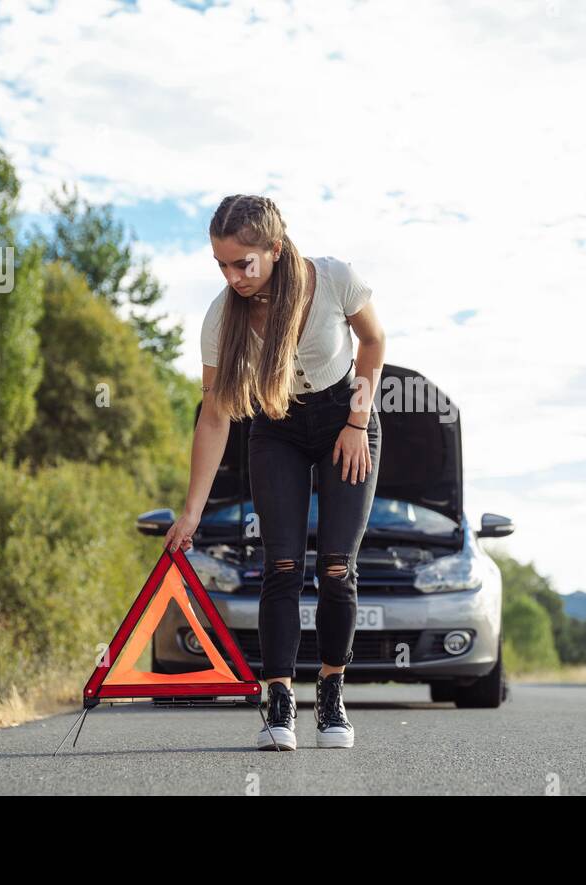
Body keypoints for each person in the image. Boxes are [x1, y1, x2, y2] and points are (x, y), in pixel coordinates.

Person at [164, 194, 385, 751]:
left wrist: (357, 422)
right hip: (277, 424)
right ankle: (279, 698)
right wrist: (191, 512)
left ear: (276, 249)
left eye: (244, 263)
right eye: (222, 264)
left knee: (337, 565)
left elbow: (374, 341)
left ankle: (331, 693)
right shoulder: (222, 316)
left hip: (345, 420)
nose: (233, 276)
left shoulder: (333, 279)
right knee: (281, 564)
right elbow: (214, 415)